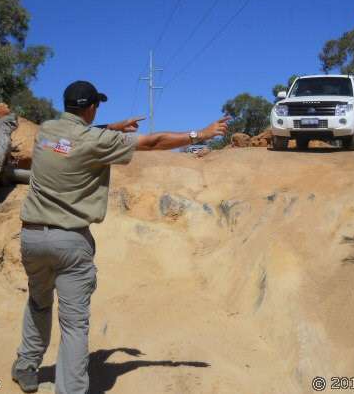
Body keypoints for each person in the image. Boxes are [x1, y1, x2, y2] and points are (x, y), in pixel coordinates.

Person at [12, 80, 229, 393]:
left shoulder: (47, 130)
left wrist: (112, 127)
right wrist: (200, 135)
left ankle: (26, 366)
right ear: (91, 108)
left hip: (31, 237)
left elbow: (75, 136)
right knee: (74, 326)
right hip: (69, 242)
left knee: (38, 303)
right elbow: (153, 142)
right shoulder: (95, 141)